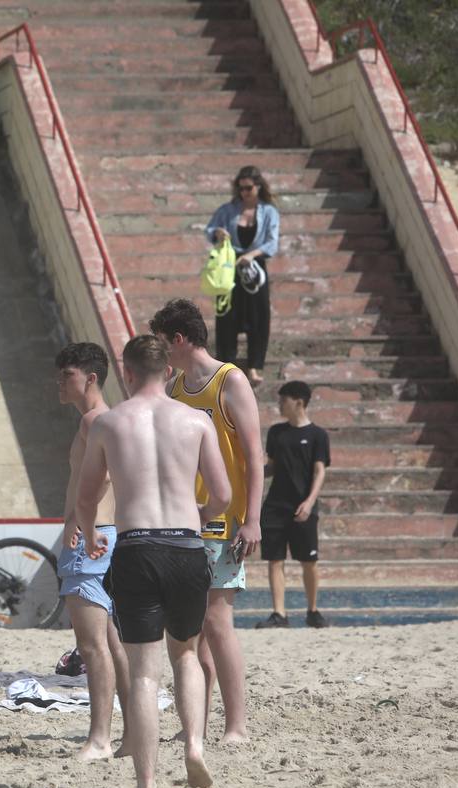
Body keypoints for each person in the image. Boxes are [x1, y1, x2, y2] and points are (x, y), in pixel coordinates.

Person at [75, 334, 232, 788]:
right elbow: (222, 496)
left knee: (144, 673)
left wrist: (89, 532)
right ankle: (194, 745)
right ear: (170, 372)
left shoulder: (108, 423)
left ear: (126, 371)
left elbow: (86, 496)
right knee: (185, 654)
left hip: (137, 546)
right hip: (185, 546)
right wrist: (197, 518)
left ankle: (146, 787)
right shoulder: (195, 420)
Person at [151, 298, 264, 744]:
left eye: (163, 342)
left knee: (217, 623)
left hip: (225, 520)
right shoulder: (175, 387)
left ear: (178, 339)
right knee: (189, 627)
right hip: (182, 521)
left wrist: (252, 519)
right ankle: (193, 724)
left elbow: (255, 454)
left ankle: (236, 725)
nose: (160, 352)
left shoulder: (229, 380)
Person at [54, 342, 131, 760]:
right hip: (106, 532)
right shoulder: (111, 418)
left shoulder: (93, 420)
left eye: (67, 375)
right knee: (112, 640)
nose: (60, 383)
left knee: (92, 645)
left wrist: (75, 522)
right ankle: (130, 732)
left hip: (91, 535)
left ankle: (101, 736)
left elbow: (99, 479)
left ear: (91, 377)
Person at [259, 381, 331, 628]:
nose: (279, 404)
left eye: (283, 400)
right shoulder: (276, 433)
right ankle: (279, 613)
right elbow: (272, 467)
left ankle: (312, 610)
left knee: (309, 560)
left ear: (299, 402)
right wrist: (250, 473)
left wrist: (310, 502)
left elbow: (320, 471)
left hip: (304, 506)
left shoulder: (318, 435)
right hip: (276, 505)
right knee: (275, 559)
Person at [206, 166, 280, 387]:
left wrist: (252, 254)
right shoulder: (228, 210)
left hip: (254, 268)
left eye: (248, 188)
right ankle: (225, 364)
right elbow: (210, 230)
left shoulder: (269, 212)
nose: (244, 193)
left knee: (259, 316)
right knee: (227, 315)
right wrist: (218, 234)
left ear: (258, 187)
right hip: (230, 266)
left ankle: (254, 365)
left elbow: (272, 242)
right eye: (241, 189)